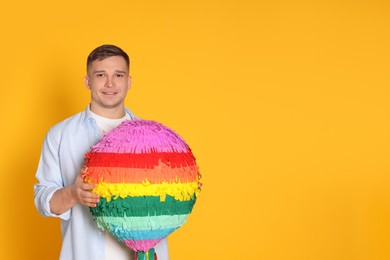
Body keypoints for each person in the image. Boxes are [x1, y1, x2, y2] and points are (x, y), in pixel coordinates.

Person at [34, 44, 169, 260]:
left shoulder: (157, 141)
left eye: (118, 74)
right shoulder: (59, 135)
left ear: (129, 81)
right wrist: (73, 193)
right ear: (88, 81)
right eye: (100, 75)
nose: (110, 83)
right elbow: (43, 201)